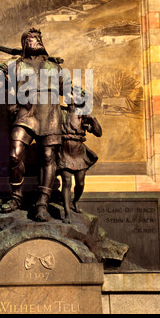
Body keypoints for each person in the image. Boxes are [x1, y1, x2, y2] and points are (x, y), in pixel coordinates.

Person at [0, 28, 65, 222]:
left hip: (50, 113)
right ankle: (16, 197)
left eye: (39, 38)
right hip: (26, 111)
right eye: (31, 39)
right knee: (15, 154)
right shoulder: (15, 65)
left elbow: (68, 88)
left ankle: (42, 204)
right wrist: (3, 77)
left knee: (48, 156)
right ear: (24, 43)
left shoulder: (54, 66)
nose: (37, 41)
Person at [58, 91, 102, 223]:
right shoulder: (61, 112)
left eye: (76, 95)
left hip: (79, 151)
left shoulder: (84, 115)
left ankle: (75, 201)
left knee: (80, 182)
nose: (72, 97)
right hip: (64, 150)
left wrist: (93, 120)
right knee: (66, 182)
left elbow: (99, 133)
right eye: (70, 94)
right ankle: (67, 213)